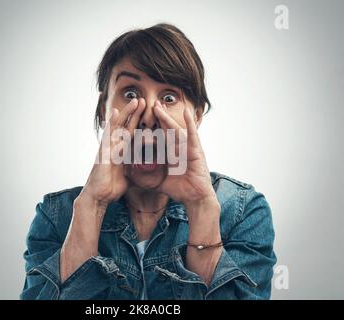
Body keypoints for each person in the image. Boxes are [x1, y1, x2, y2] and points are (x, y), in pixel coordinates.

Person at [20, 23, 276, 300]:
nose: (150, 115)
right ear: (103, 110)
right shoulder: (57, 216)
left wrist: (201, 210)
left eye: (169, 97)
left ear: (197, 116)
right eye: (130, 93)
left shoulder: (242, 212)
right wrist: (91, 207)